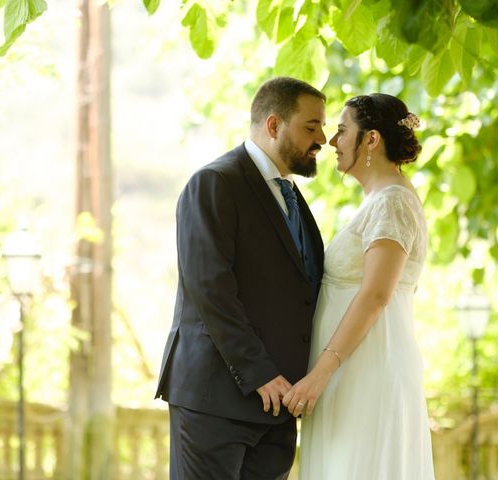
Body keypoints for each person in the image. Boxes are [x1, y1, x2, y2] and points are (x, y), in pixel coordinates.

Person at [155, 76, 326, 479]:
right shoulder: (214, 183)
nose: (322, 138)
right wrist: (260, 372)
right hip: (216, 397)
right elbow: (210, 290)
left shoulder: (291, 196)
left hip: (277, 407)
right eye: (311, 126)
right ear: (273, 125)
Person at [282, 93, 435, 479]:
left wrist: (320, 373)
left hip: (365, 367)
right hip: (351, 367)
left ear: (372, 140)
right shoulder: (379, 201)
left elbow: (377, 294)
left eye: (342, 131)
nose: (332, 142)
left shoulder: (393, 202)